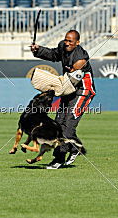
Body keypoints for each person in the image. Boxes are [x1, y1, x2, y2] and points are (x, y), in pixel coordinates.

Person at [30, 30, 96, 169]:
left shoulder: (80, 58)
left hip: (83, 92)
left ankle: (58, 159)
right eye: (66, 40)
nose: (67, 43)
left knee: (67, 127)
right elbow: (53, 54)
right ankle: (75, 148)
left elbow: (73, 79)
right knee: (58, 124)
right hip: (68, 89)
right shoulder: (63, 46)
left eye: (70, 41)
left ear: (77, 43)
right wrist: (38, 50)